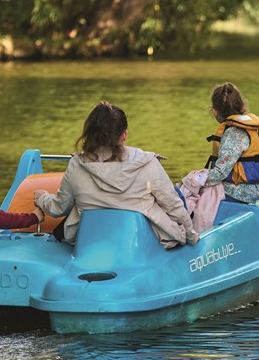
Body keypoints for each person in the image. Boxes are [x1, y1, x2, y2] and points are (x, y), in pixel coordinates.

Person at [35, 101, 198, 249]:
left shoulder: (76, 164)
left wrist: (42, 198)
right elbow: (174, 206)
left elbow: (59, 208)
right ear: (124, 134)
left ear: (89, 133)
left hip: (88, 242)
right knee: (175, 194)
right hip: (140, 243)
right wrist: (191, 235)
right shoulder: (147, 162)